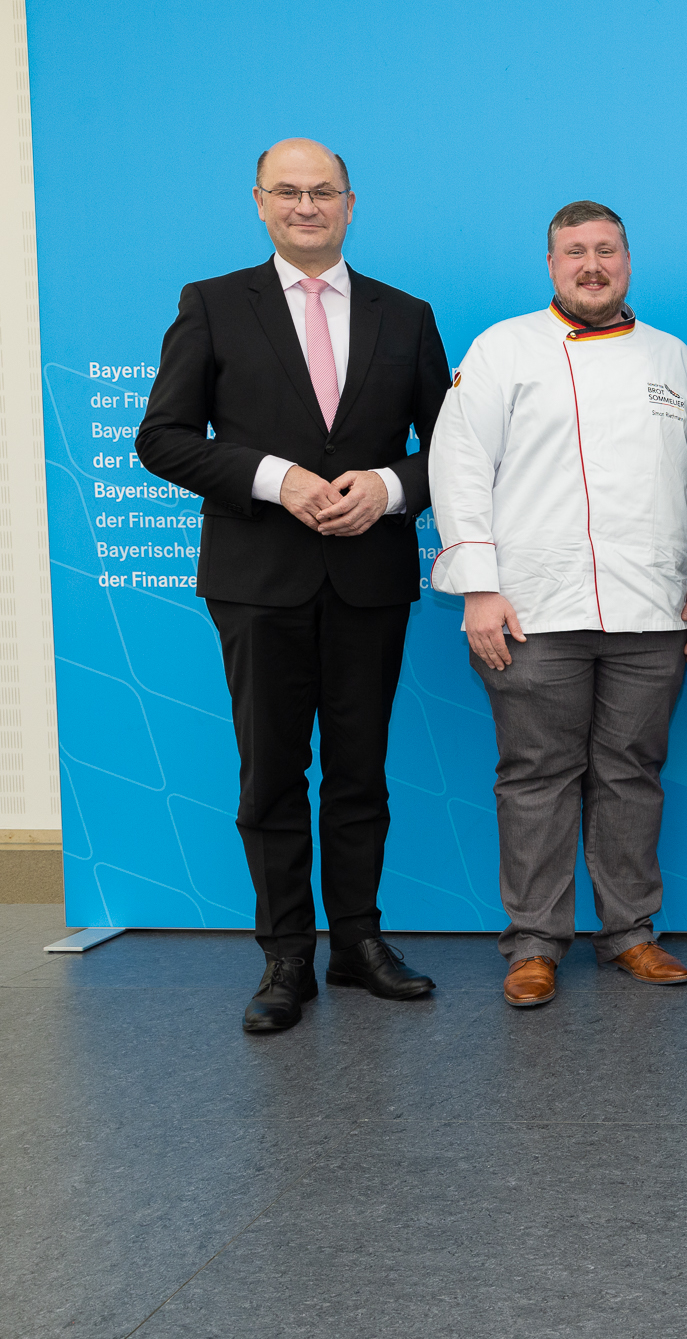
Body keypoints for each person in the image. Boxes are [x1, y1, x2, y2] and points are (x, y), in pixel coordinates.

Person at [136, 138, 448, 1034]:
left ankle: (357, 942)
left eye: (323, 192)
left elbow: (450, 450)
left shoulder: (407, 315)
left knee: (359, 774)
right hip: (257, 582)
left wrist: (388, 489)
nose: (306, 206)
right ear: (260, 203)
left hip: (369, 582)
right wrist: (277, 477)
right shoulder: (213, 304)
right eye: (288, 192)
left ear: (351, 203)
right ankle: (284, 956)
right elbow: (161, 438)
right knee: (272, 773)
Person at [428, 201, 687, 1009]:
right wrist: (478, 586)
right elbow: (457, 468)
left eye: (607, 251)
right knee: (536, 776)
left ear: (629, 261)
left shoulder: (673, 359)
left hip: (651, 610)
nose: (592, 265)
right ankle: (535, 944)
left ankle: (630, 933)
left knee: (632, 774)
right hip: (530, 609)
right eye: (574, 252)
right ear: (551, 266)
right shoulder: (502, 349)